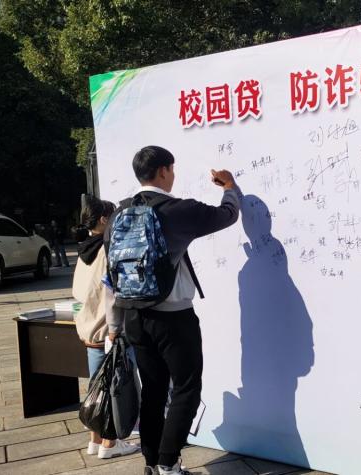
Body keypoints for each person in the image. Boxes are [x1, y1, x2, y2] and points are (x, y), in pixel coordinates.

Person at [113, 145, 241, 475]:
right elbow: (227, 215)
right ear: (164, 171)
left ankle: (151, 464)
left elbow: (112, 269)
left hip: (134, 316)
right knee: (186, 389)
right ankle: (169, 464)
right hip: (173, 317)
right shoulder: (177, 210)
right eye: (172, 169)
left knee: (153, 391)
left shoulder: (119, 213)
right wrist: (229, 187)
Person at [72, 195, 141, 459]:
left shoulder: (84, 250)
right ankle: (110, 444)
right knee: (115, 388)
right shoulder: (108, 247)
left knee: (96, 387)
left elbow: (80, 292)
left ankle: (95, 440)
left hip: (89, 329)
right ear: (104, 220)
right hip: (108, 330)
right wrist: (115, 328)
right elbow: (112, 291)